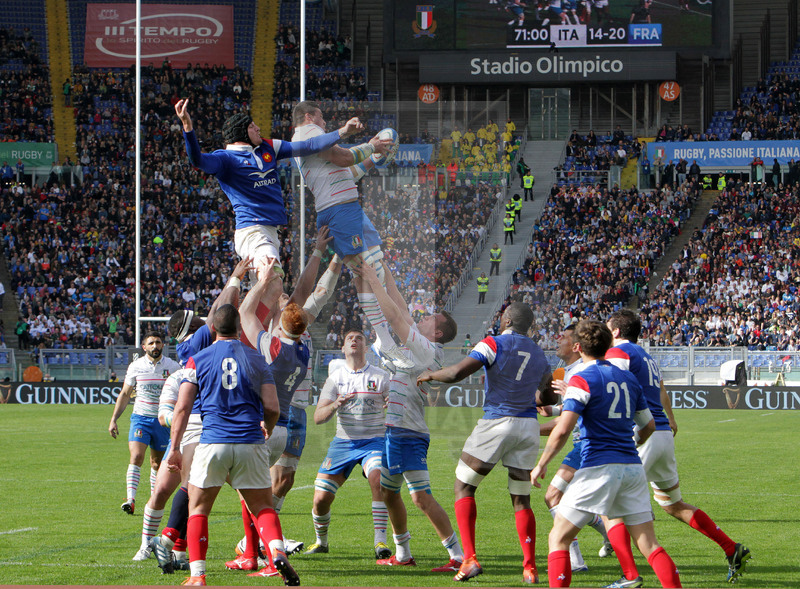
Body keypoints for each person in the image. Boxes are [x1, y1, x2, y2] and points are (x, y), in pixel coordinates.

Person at [530, 320, 681, 589]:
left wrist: (541, 463)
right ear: (608, 345)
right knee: (649, 544)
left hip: (598, 466)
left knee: (558, 538)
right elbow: (648, 425)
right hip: (632, 468)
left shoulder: (581, 378)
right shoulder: (628, 378)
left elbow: (564, 429)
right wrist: (630, 444)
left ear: (578, 347)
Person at [605, 310, 750, 586]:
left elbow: (616, 385)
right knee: (672, 504)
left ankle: (629, 576)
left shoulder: (619, 354)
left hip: (642, 433)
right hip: (661, 434)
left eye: (606, 328)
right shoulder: (647, 356)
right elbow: (660, 390)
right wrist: (670, 418)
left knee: (610, 504)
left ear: (615, 332)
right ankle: (731, 548)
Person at [418, 302, 556, 584]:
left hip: (497, 421)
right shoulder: (539, 352)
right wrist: (533, 401)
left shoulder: (493, 342)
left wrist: (431, 374)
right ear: (528, 326)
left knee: (464, 486)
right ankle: (529, 567)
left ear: (505, 320)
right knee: (521, 497)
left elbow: (457, 373)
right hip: (528, 426)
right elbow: (550, 397)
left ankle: (469, 559)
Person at [165, 304, 300, 587]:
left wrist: (176, 446)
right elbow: (272, 407)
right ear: (239, 327)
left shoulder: (197, 359)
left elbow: (182, 408)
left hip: (212, 442)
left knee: (199, 508)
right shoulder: (256, 359)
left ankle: (198, 575)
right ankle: (276, 552)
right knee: (263, 507)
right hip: (250, 441)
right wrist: (268, 427)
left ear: (213, 327)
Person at [353, 261, 463, 572]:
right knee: (388, 493)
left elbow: (395, 315)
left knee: (420, 498)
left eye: (430, 318)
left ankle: (457, 556)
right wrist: (384, 269)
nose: (424, 317)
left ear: (437, 332)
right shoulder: (417, 348)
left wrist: (374, 279)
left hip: (408, 432)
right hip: (394, 430)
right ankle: (403, 553)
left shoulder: (428, 349)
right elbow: (399, 306)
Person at [144, 259, 252, 571]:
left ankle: (174, 546)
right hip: (207, 422)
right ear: (192, 328)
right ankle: (167, 541)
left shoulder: (188, 348)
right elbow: (221, 312)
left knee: (196, 485)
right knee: (223, 486)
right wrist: (235, 278)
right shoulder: (200, 340)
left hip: (202, 422)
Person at [175, 99, 357, 281]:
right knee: (272, 279)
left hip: (270, 231)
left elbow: (308, 146)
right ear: (242, 132)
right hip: (252, 231)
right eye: (253, 127)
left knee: (266, 296)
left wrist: (343, 132)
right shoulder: (225, 159)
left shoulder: (268, 147)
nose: (258, 129)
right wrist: (187, 126)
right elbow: (198, 160)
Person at [291, 100, 410, 369]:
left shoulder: (314, 146)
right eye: (321, 118)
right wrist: (371, 146)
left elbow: (349, 170)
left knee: (373, 267)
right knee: (368, 272)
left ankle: (387, 339)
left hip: (348, 208)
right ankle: (384, 340)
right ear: (309, 116)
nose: (324, 123)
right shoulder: (308, 134)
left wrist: (372, 156)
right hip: (339, 211)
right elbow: (343, 157)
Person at [303, 330, 391, 557]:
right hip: (343, 443)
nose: (354, 340)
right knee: (321, 500)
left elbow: (399, 406)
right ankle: (321, 542)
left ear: (367, 347)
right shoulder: (336, 379)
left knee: (377, 477)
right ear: (342, 349)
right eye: (349, 338)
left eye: (359, 338)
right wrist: (334, 405)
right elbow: (318, 417)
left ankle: (380, 542)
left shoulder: (381, 376)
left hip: (374, 441)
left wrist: (393, 404)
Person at [537, 325, 612, 573]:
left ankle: (576, 562)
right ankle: (608, 534)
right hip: (588, 444)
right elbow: (569, 410)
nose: (558, 339)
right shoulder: (567, 372)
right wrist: (551, 409)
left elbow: (570, 419)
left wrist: (533, 430)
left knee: (553, 497)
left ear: (577, 346)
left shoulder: (581, 371)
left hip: (587, 445)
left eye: (565, 337)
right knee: (577, 504)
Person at [108, 331, 181, 527]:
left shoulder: (173, 367)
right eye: (151, 343)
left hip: (162, 420)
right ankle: (130, 500)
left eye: (158, 342)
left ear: (163, 345)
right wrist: (114, 419)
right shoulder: (136, 366)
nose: (155, 346)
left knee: (156, 463)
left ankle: (153, 500)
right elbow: (125, 393)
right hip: (140, 417)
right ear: (144, 347)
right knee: (136, 457)